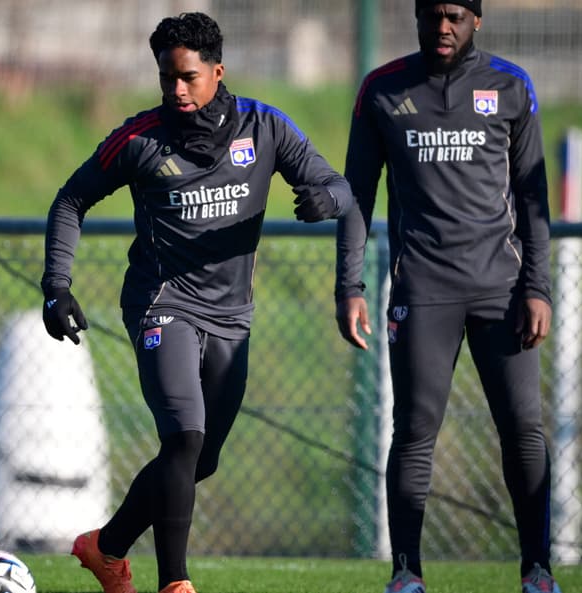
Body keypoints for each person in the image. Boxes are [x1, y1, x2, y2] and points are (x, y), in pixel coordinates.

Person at [41, 12, 352, 593]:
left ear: (217, 71)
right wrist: (56, 285)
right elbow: (69, 200)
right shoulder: (139, 139)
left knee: (198, 460)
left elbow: (339, 186)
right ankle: (174, 583)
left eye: (187, 77)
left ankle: (106, 549)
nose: (176, 91)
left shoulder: (264, 127)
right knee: (183, 436)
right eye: (167, 79)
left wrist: (323, 202)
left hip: (232, 317)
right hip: (162, 304)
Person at [335, 2, 560, 593]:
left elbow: (534, 200)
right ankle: (406, 573)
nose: (443, 25)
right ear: (416, 16)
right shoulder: (382, 90)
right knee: (413, 432)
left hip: (502, 291)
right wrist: (349, 286)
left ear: (476, 21)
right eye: (433, 13)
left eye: (456, 15)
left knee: (523, 431)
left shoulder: (511, 87)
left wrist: (537, 287)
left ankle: (538, 570)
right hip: (423, 290)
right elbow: (356, 194)